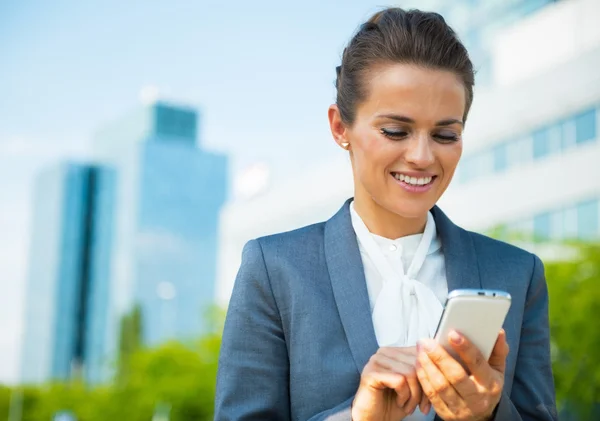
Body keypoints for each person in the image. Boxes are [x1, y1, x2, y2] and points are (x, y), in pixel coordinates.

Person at [214, 7, 557, 421]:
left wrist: (487, 414)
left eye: (446, 134)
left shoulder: (517, 274)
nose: (422, 156)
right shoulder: (275, 270)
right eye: (396, 131)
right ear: (341, 127)